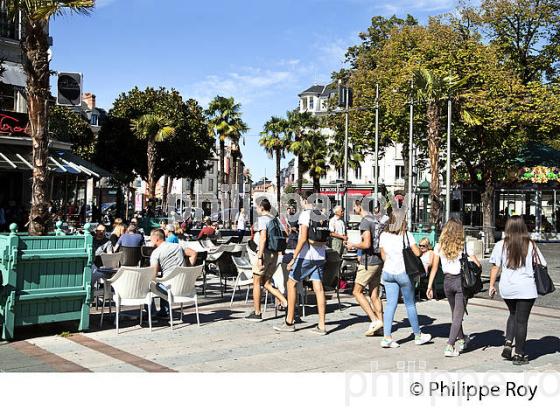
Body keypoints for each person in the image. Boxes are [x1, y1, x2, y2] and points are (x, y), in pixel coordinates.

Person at [488, 215, 546, 365]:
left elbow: (495, 266)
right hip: (526, 288)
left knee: (513, 314)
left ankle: (508, 343)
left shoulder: (500, 244)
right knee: (522, 321)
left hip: (507, 288)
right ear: (523, 227)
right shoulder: (530, 244)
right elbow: (543, 263)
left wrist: (491, 285)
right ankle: (519, 355)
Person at [274, 193, 328, 335]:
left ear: (305, 201)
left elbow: (303, 238)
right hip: (320, 255)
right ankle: (322, 325)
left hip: (306, 256)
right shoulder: (322, 215)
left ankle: (289, 321)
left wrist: (294, 258)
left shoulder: (305, 215)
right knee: (319, 288)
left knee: (291, 283)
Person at [427, 218, 480, 357]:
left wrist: (429, 286)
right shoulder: (464, 245)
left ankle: (462, 339)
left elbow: (434, 268)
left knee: (455, 314)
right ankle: (450, 345)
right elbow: (478, 264)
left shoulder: (439, 246)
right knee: (458, 316)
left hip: (447, 283)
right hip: (460, 282)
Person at [378, 212, 432, 348]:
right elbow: (417, 253)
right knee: (410, 304)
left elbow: (383, 256)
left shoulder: (383, 235)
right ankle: (418, 335)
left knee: (390, 304)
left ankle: (387, 337)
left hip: (387, 273)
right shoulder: (407, 235)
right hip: (403, 273)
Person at [346, 199, 385, 337]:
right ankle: (381, 326)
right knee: (374, 295)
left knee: (357, 292)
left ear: (359, 206)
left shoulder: (365, 221)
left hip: (368, 261)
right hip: (379, 259)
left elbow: (367, 244)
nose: (353, 209)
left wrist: (353, 245)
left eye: (354, 206)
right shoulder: (377, 220)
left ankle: (374, 321)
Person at [245, 199, 288, 322]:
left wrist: (259, 257)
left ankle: (257, 312)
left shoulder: (263, 219)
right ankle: (285, 302)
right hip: (274, 255)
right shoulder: (275, 219)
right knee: (267, 283)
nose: (256, 210)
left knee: (256, 283)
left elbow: (263, 238)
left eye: (257, 207)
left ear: (261, 208)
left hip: (264, 254)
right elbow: (285, 234)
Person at [149, 228, 199, 317]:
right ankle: (165, 311)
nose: (150, 240)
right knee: (164, 280)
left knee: (149, 284)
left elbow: (154, 274)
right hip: (185, 285)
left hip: (170, 289)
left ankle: (152, 314)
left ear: (156, 239)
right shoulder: (178, 246)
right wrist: (188, 269)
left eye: (151, 238)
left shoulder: (156, 253)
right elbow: (194, 253)